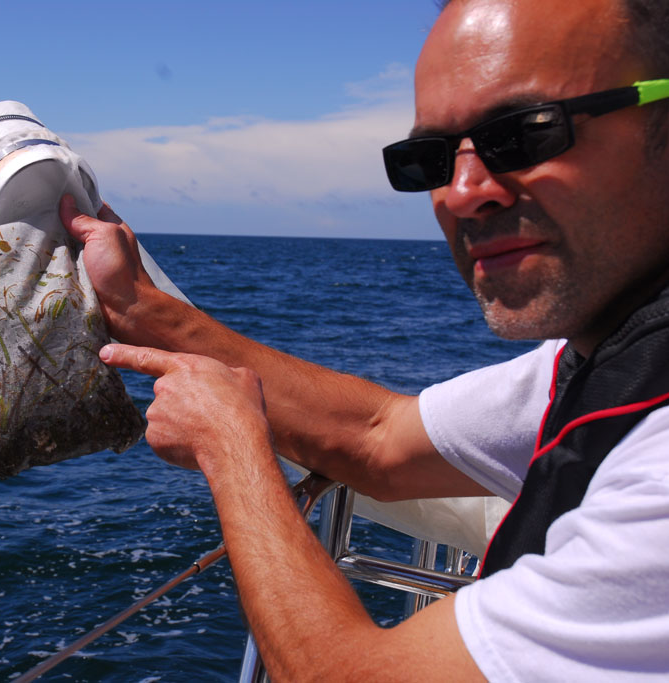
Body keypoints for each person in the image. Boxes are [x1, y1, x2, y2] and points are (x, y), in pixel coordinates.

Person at [58, 0, 669, 679]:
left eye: (525, 132)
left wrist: (230, 447)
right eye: (429, 159)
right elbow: (379, 436)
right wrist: (141, 307)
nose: (463, 191)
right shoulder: (606, 355)